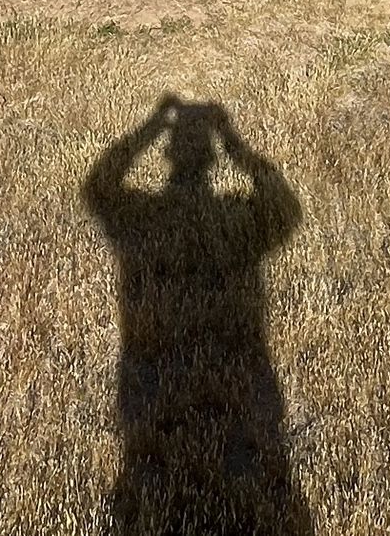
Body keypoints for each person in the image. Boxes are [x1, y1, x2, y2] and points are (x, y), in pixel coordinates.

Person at [84, 96, 310, 535]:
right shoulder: (235, 219)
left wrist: (152, 125)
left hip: (145, 399)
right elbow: (286, 208)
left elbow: (99, 188)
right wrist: (233, 142)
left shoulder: (143, 218)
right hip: (248, 384)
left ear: (168, 156)